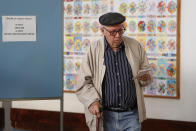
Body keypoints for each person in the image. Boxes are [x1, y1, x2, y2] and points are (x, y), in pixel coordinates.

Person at [76, 12, 152, 131]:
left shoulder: (135, 46)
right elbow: (83, 83)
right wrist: (92, 102)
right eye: (113, 32)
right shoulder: (93, 49)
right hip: (104, 116)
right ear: (103, 31)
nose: (117, 36)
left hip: (131, 115)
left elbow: (146, 72)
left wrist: (146, 78)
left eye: (120, 30)